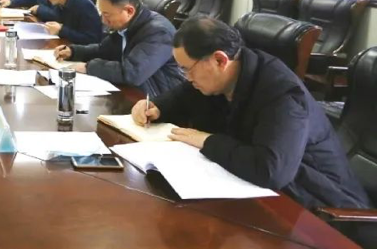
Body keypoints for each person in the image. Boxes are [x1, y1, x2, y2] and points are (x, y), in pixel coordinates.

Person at [130, 16, 372, 211]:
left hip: (321, 208)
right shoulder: (224, 75)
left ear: (219, 60)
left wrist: (207, 141)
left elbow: (271, 171)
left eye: (187, 69)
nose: (187, 77)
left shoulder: (281, 93)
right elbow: (182, 95)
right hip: (263, 192)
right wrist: (156, 106)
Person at [55, 0, 183, 96]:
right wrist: (73, 51)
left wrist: (88, 67)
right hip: (132, 92)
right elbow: (103, 50)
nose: (103, 20)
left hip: (156, 101)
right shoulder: (126, 26)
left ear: (129, 11)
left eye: (107, 15)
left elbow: (133, 72)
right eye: (102, 13)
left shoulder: (159, 32)